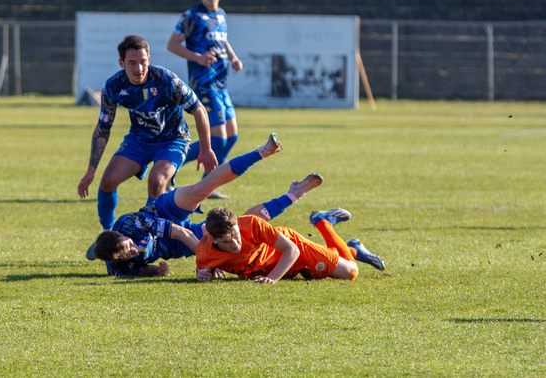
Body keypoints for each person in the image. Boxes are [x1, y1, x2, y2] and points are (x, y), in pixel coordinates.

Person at [92, 133, 325, 277]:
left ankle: (261, 152)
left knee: (201, 189)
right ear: (114, 261)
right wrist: (157, 270)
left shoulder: (133, 224)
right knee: (237, 227)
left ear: (122, 234)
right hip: (174, 247)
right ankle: (294, 194)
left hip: (162, 213)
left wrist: (211, 261)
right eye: (127, 253)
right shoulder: (117, 269)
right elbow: (140, 269)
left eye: (129, 244)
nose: (134, 249)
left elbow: (181, 231)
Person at [77, 35, 218, 236]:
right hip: (139, 140)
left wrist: (206, 149)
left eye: (143, 62)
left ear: (149, 60)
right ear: (121, 63)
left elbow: (199, 110)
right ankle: (107, 235)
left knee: (156, 181)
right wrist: (91, 170)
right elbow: (103, 128)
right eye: (132, 63)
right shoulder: (114, 86)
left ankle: (150, 237)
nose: (139, 68)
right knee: (107, 181)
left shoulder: (166, 80)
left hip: (173, 140)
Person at [167, 0, 241, 199]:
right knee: (218, 139)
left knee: (232, 137)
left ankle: (207, 186)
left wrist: (233, 56)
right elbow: (173, 44)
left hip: (221, 83)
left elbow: (223, 39)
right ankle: (168, 169)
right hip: (204, 83)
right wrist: (197, 57)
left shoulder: (221, 15)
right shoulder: (191, 16)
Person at [196, 205, 385, 284]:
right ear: (213, 239)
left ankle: (323, 222)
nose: (236, 243)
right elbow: (203, 269)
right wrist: (207, 273)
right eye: (228, 241)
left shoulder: (252, 224)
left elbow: (291, 249)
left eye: (236, 235)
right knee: (315, 276)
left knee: (351, 272)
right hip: (282, 268)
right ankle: (352, 248)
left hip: (293, 251)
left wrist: (272, 278)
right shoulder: (204, 253)